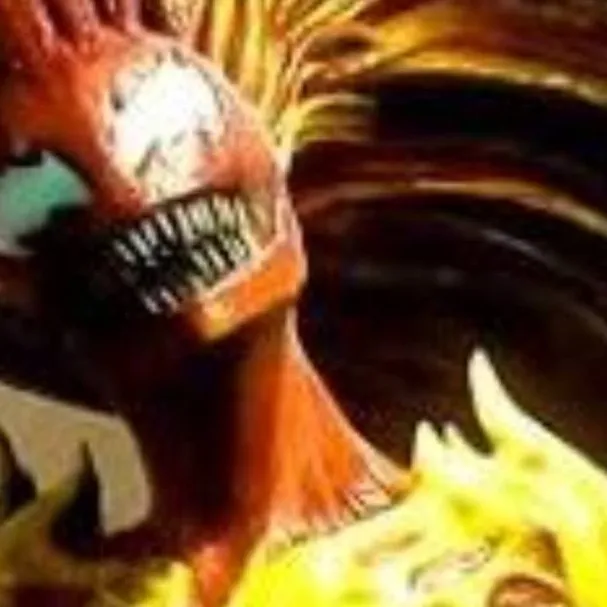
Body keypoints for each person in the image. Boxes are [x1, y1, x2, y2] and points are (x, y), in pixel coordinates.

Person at [0, 1, 604, 605]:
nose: (123, 191)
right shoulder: (35, 586)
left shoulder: (530, 541)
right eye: (31, 190)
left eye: (161, 115)